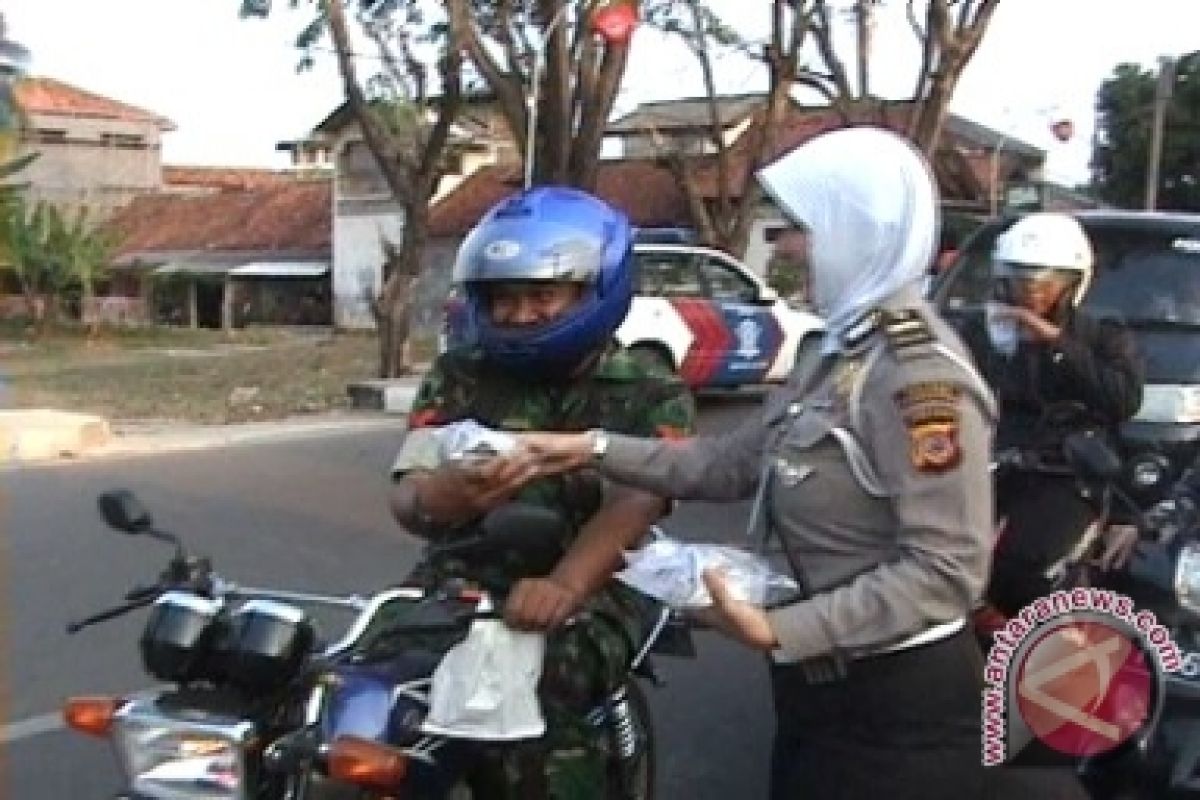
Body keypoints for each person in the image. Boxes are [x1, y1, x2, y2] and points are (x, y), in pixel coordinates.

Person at [513, 127, 997, 800]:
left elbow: (947, 573)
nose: (787, 249)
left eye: (800, 228)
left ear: (860, 231)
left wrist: (781, 628)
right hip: (816, 691)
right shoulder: (835, 354)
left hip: (896, 710)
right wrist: (590, 446)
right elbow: (725, 464)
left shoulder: (917, 381)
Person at [388, 186, 695, 799]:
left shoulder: (648, 386)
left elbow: (639, 500)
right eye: (504, 298)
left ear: (594, 290)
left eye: (541, 295)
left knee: (542, 680)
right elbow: (407, 491)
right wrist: (447, 496)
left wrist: (563, 587)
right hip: (463, 574)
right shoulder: (459, 375)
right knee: (377, 678)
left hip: (599, 582)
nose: (520, 314)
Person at [958, 212, 1144, 617]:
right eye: (1018, 281)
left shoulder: (1101, 335)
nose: (1030, 296)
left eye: (1043, 285)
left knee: (1023, 573)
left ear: (1072, 285)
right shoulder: (978, 331)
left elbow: (1123, 399)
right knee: (945, 560)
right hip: (984, 465)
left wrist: (1055, 343)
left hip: (1062, 473)